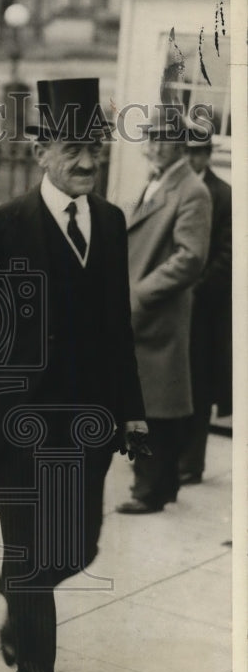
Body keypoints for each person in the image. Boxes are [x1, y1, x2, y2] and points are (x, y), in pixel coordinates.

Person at [0, 79, 146, 672]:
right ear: (41, 151)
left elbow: (119, 328)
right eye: (73, 148)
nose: (87, 161)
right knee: (35, 562)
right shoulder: (5, 226)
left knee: (76, 547)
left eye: (95, 148)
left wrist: (135, 413)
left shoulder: (112, 223)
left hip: (88, 429)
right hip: (19, 425)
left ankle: (17, 609)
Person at [116, 107, 212, 514]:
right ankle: (161, 485)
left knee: (156, 404)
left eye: (163, 139)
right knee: (152, 401)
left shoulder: (191, 190)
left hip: (159, 311)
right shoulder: (159, 183)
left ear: (179, 144)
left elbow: (191, 258)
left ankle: (149, 491)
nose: (154, 146)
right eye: (150, 138)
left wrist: (140, 293)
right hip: (146, 310)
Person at [178, 128, 232, 485]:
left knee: (197, 386)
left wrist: (194, 291)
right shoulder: (173, 189)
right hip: (173, 309)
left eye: (199, 153)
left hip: (204, 310)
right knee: (171, 382)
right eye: (188, 152)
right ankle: (165, 456)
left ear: (209, 154)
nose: (192, 159)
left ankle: (190, 463)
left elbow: (228, 255)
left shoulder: (224, 194)